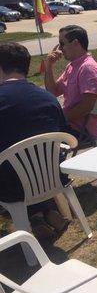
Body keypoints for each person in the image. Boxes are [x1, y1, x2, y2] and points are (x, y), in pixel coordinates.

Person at [0, 42, 69, 236]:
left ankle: (37, 216)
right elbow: (64, 134)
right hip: (52, 177)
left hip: (13, 188)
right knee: (24, 164)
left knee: (11, 168)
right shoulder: (47, 98)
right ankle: (43, 213)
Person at [44, 25, 97, 143]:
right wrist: (49, 66)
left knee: (35, 132)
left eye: (62, 43)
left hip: (80, 131)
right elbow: (53, 92)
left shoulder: (88, 68)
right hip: (70, 126)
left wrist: (61, 120)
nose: (60, 49)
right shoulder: (72, 66)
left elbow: (87, 106)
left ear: (76, 43)